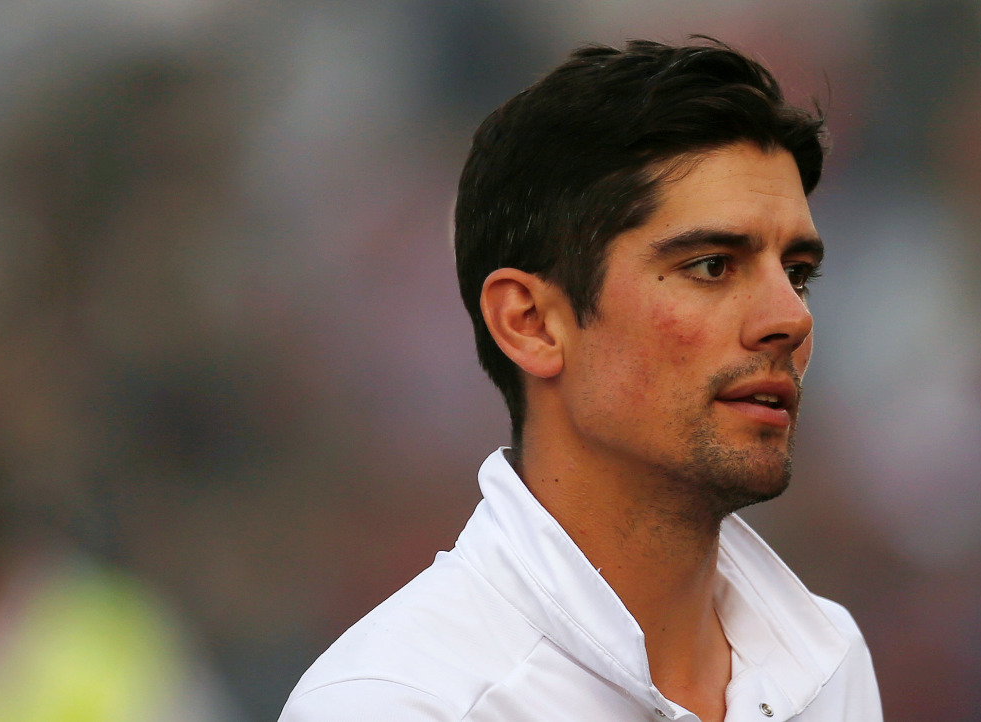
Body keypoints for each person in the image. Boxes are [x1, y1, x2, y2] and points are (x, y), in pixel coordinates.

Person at [279, 38, 883, 722]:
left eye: (798, 273)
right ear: (531, 322)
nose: (791, 319)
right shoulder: (402, 704)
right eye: (712, 265)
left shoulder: (830, 661)